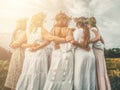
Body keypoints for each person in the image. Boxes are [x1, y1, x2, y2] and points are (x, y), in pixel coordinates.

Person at [16, 13, 51, 90]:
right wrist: (35, 47)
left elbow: (21, 44)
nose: (42, 22)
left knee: (29, 72)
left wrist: (31, 46)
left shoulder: (28, 31)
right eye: (41, 20)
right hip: (38, 54)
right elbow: (49, 40)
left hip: (30, 54)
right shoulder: (41, 30)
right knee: (36, 72)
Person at [43, 12, 74, 90]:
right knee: (66, 74)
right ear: (62, 20)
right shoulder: (68, 30)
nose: (67, 22)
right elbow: (69, 39)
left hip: (57, 53)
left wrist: (55, 39)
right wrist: (64, 39)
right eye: (66, 20)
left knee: (54, 72)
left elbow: (49, 40)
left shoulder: (53, 30)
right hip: (66, 53)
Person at [71, 17, 98, 90]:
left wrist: (83, 46)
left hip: (80, 55)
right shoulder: (91, 32)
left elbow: (73, 43)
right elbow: (95, 43)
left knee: (79, 76)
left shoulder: (77, 32)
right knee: (89, 76)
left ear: (78, 24)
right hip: (91, 55)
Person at [88, 17, 111, 90]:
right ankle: (104, 86)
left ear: (89, 23)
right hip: (100, 51)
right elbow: (103, 41)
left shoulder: (93, 29)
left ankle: (101, 87)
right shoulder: (97, 29)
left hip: (96, 50)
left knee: (98, 68)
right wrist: (101, 47)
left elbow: (97, 38)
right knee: (101, 69)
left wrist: (89, 41)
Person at [5, 18, 27, 90]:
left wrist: (15, 44)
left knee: (18, 73)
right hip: (18, 53)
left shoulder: (24, 32)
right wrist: (16, 44)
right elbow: (12, 44)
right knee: (16, 73)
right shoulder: (19, 32)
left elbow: (15, 44)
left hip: (21, 53)